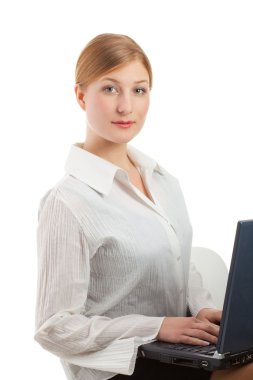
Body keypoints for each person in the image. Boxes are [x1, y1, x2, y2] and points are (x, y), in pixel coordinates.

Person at [34, 33, 253, 380]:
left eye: (139, 90)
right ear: (80, 95)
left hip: (180, 353)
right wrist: (157, 327)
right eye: (109, 89)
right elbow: (53, 326)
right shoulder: (69, 201)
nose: (126, 107)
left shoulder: (163, 180)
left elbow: (179, 265)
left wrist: (203, 310)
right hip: (120, 365)